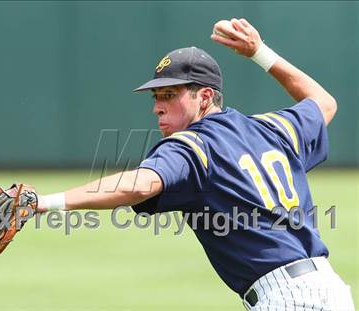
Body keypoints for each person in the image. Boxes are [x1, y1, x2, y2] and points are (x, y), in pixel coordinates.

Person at [35, 18, 354, 309]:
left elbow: (142, 184)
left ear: (204, 97)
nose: (158, 108)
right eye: (156, 97)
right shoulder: (272, 127)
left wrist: (44, 203)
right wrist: (260, 53)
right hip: (331, 290)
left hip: (285, 299)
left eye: (169, 95)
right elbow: (324, 102)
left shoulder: (191, 145)